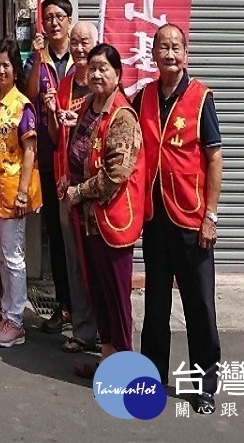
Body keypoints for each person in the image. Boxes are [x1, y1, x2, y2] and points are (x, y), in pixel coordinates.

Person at [136, 24, 223, 416]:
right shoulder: (144, 97)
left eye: (175, 47)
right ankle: (152, 374)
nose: (169, 54)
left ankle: (205, 384)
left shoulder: (201, 97)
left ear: (185, 54)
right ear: (152, 55)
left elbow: (214, 158)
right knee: (155, 303)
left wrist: (211, 215)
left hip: (190, 218)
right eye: (162, 47)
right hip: (156, 219)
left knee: (199, 306)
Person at [61, 43, 146, 377]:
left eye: (103, 69)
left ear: (118, 74)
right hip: (90, 219)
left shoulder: (122, 116)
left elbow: (116, 174)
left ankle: (126, 370)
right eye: (92, 67)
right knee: (99, 291)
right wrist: (68, 182)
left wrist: (77, 191)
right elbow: (79, 152)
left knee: (116, 297)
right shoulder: (90, 107)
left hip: (113, 219)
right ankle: (108, 359)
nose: (96, 74)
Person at [0, 38, 42, 347]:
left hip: (13, 191)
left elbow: (30, 150)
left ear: (16, 70)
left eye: (7, 65)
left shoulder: (21, 106)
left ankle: (16, 320)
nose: (1, 70)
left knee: (14, 258)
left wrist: (24, 192)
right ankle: (7, 315)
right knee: (1, 256)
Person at [44, 21, 100, 357]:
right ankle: (83, 330)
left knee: (98, 263)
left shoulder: (104, 86)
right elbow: (54, 136)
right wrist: (53, 112)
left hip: (98, 191)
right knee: (74, 262)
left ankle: (107, 330)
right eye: (75, 42)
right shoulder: (64, 85)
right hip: (68, 186)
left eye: (85, 42)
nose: (79, 48)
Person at [25, 0, 74, 335]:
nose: (53, 22)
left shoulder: (82, 60)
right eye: (48, 17)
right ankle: (65, 305)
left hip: (79, 159)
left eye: (59, 16)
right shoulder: (37, 59)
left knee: (82, 237)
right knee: (56, 235)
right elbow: (28, 94)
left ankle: (88, 309)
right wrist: (37, 56)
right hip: (47, 156)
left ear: (69, 21)